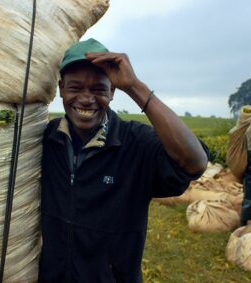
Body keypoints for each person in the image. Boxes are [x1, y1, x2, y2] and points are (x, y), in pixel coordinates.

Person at [39, 38, 209, 282]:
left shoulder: (135, 143)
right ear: (61, 89)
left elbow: (195, 163)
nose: (86, 99)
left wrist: (134, 86)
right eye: (75, 88)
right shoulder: (48, 138)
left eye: (98, 89)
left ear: (112, 91)